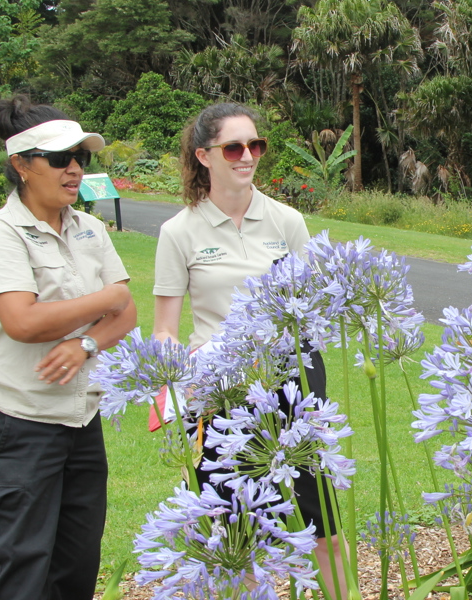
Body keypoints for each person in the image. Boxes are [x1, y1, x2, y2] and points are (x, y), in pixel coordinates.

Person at [151, 102, 347, 596]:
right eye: (233, 147)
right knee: (234, 522)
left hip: (294, 379)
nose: (247, 156)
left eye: (255, 145)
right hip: (222, 388)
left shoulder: (286, 222)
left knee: (318, 515)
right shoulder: (179, 232)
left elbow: (314, 310)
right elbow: (165, 331)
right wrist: (174, 387)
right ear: (204, 156)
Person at [0, 96, 137, 599]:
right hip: (18, 423)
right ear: (20, 165)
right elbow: (22, 321)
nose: (73, 169)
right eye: (59, 158)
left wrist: (87, 342)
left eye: (80, 158)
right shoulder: (0, 233)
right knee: (19, 568)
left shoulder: (90, 228)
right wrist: (105, 297)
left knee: (76, 565)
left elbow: (126, 315)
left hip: (81, 419)